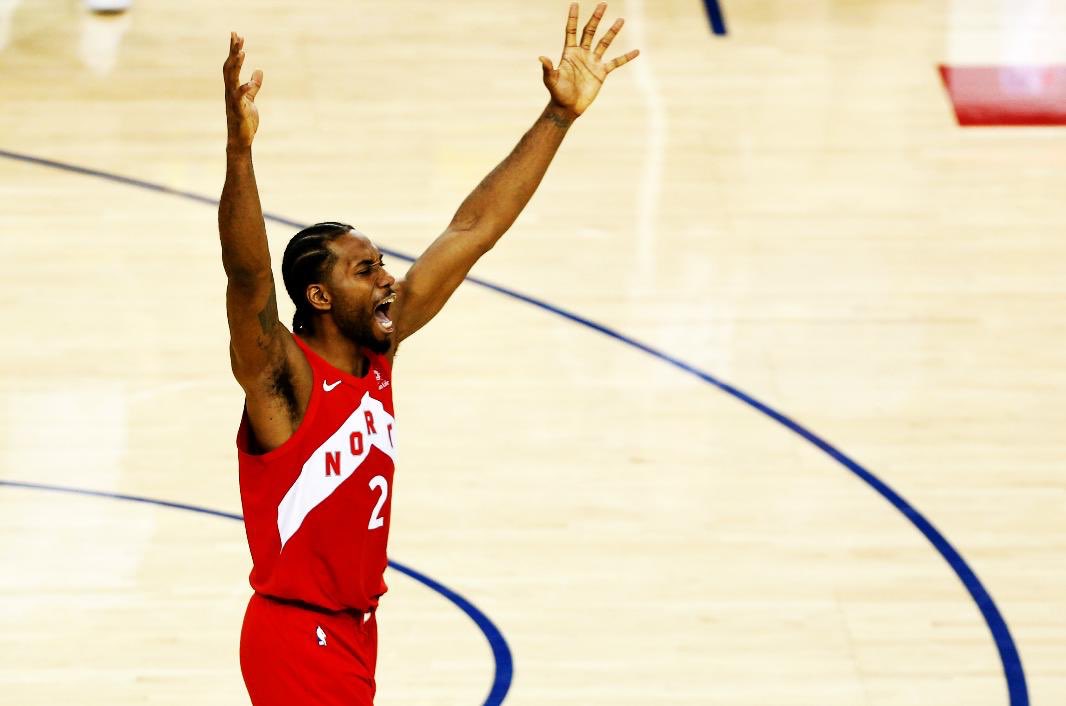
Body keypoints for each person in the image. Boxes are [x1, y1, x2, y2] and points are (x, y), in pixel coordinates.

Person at [219, 4, 638, 704]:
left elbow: (473, 229)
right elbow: (248, 277)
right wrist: (240, 152)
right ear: (319, 298)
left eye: (382, 263)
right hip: (297, 636)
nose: (388, 279)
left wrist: (558, 117)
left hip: (353, 631)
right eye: (365, 271)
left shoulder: (378, 350)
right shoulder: (282, 381)